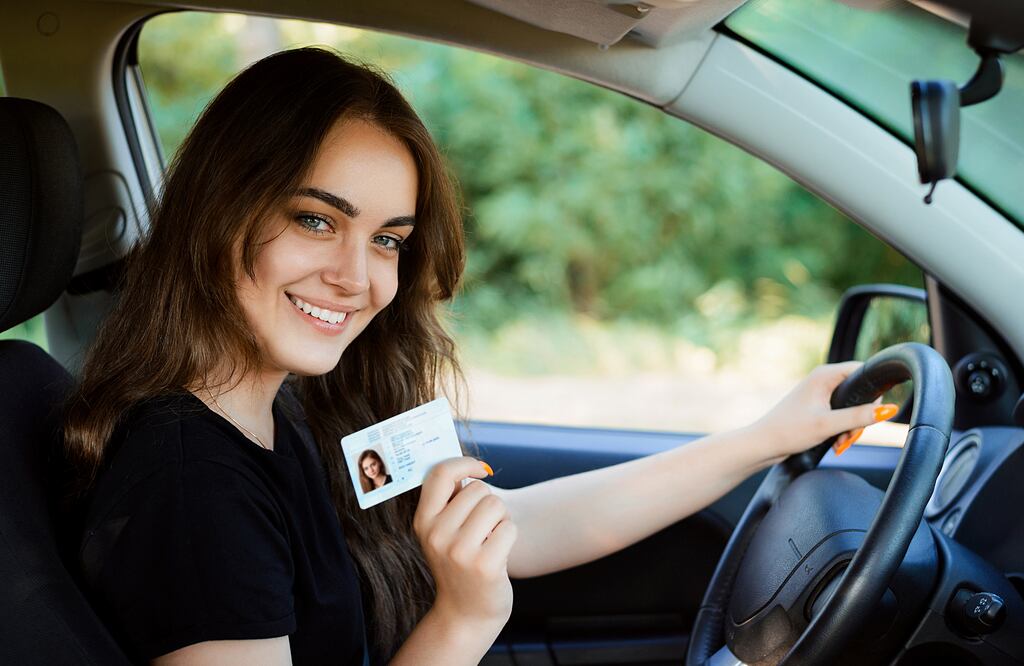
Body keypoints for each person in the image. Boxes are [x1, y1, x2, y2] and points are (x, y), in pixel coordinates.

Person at [64, 47, 895, 666]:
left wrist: (761, 438)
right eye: (316, 219)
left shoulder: (294, 406)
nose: (356, 276)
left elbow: (513, 528)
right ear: (220, 209)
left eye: (387, 238)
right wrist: (461, 620)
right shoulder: (190, 484)